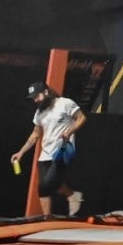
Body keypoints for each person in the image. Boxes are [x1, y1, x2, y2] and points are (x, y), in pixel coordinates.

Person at [12, 82, 87, 217]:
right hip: (45, 153)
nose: (35, 100)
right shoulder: (40, 112)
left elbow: (81, 118)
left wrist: (70, 131)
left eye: (37, 96)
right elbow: (35, 134)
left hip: (62, 151)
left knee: (44, 187)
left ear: (46, 92)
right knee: (52, 185)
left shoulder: (65, 103)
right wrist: (21, 152)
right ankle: (70, 197)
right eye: (33, 98)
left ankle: (48, 217)